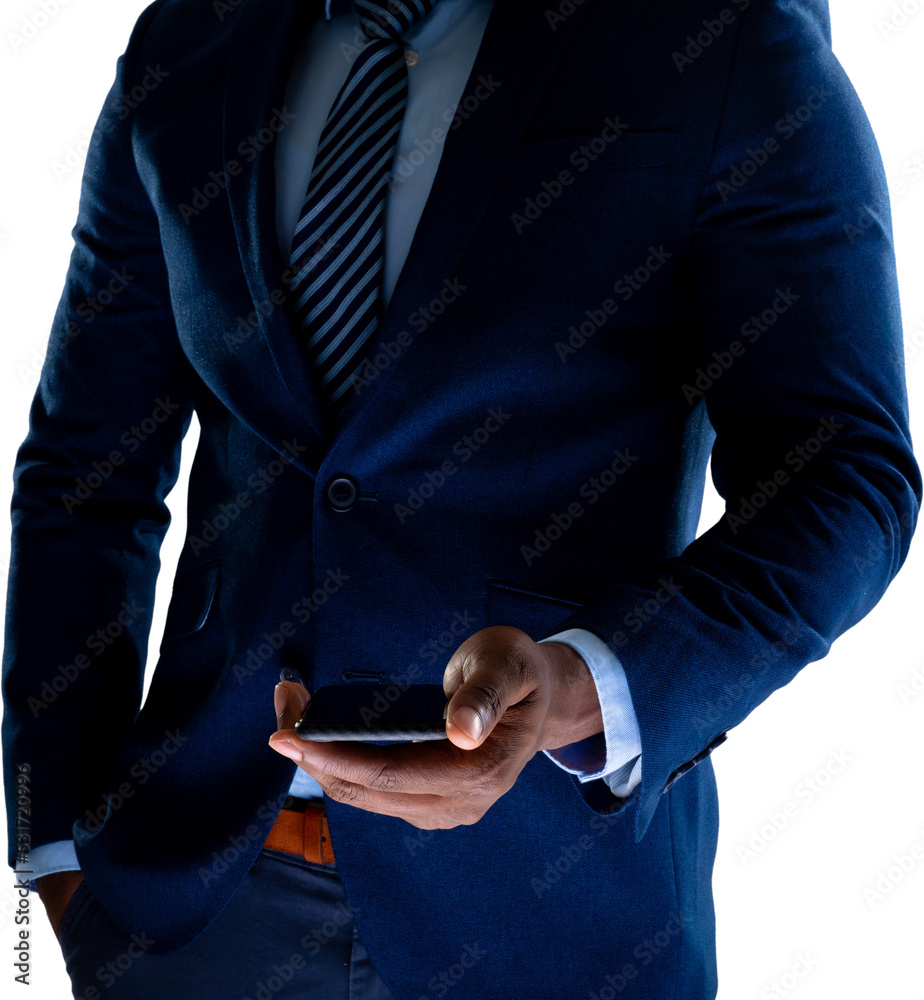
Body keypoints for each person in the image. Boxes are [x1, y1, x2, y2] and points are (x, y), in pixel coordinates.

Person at [2, 0, 919, 997]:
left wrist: (584, 686)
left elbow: (843, 470)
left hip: (557, 918)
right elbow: (84, 472)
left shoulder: (725, 38)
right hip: (197, 914)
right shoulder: (188, 43)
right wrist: (51, 852)